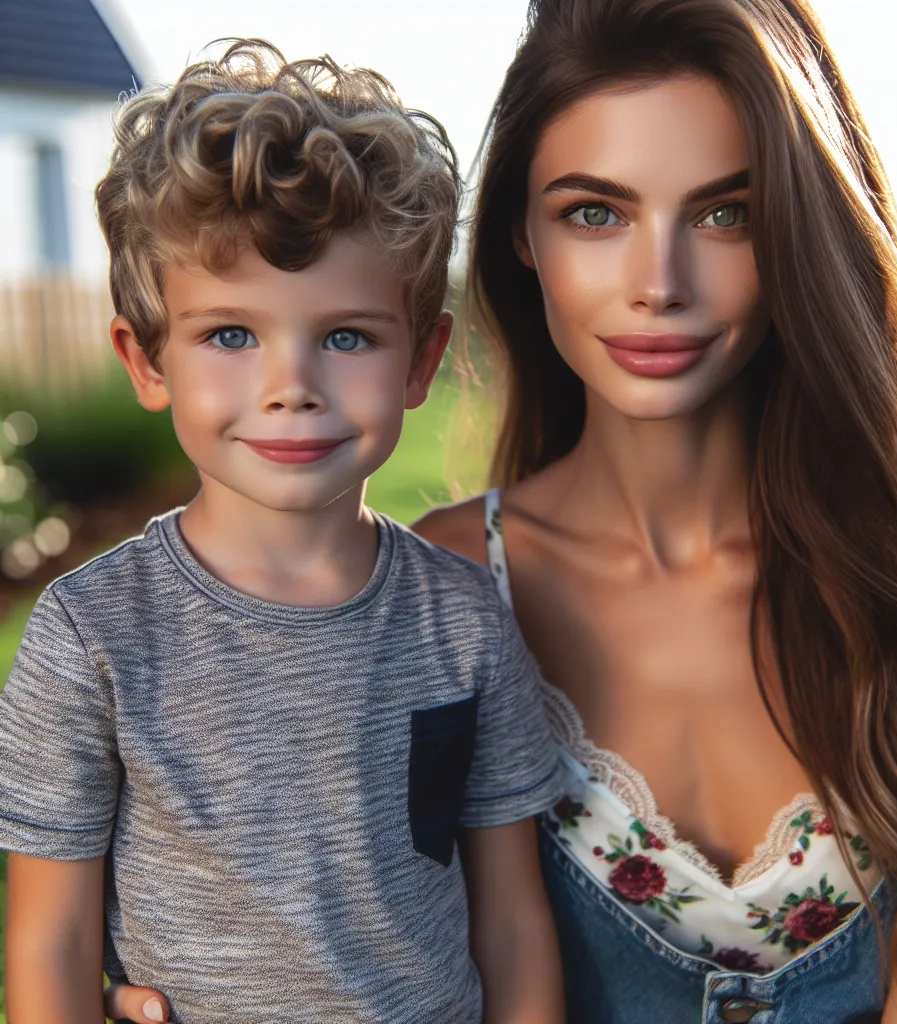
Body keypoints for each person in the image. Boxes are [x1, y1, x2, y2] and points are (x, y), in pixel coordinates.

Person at [103, 1, 897, 1022]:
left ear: (800, 231)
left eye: (727, 212)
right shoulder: (429, 599)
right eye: (596, 212)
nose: (656, 284)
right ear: (521, 235)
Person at [0, 40, 566, 1024]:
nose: (290, 386)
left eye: (346, 335)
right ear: (146, 360)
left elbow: (513, 925)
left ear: (421, 358)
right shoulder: (89, 636)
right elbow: (52, 939)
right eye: (230, 334)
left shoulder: (465, 622)